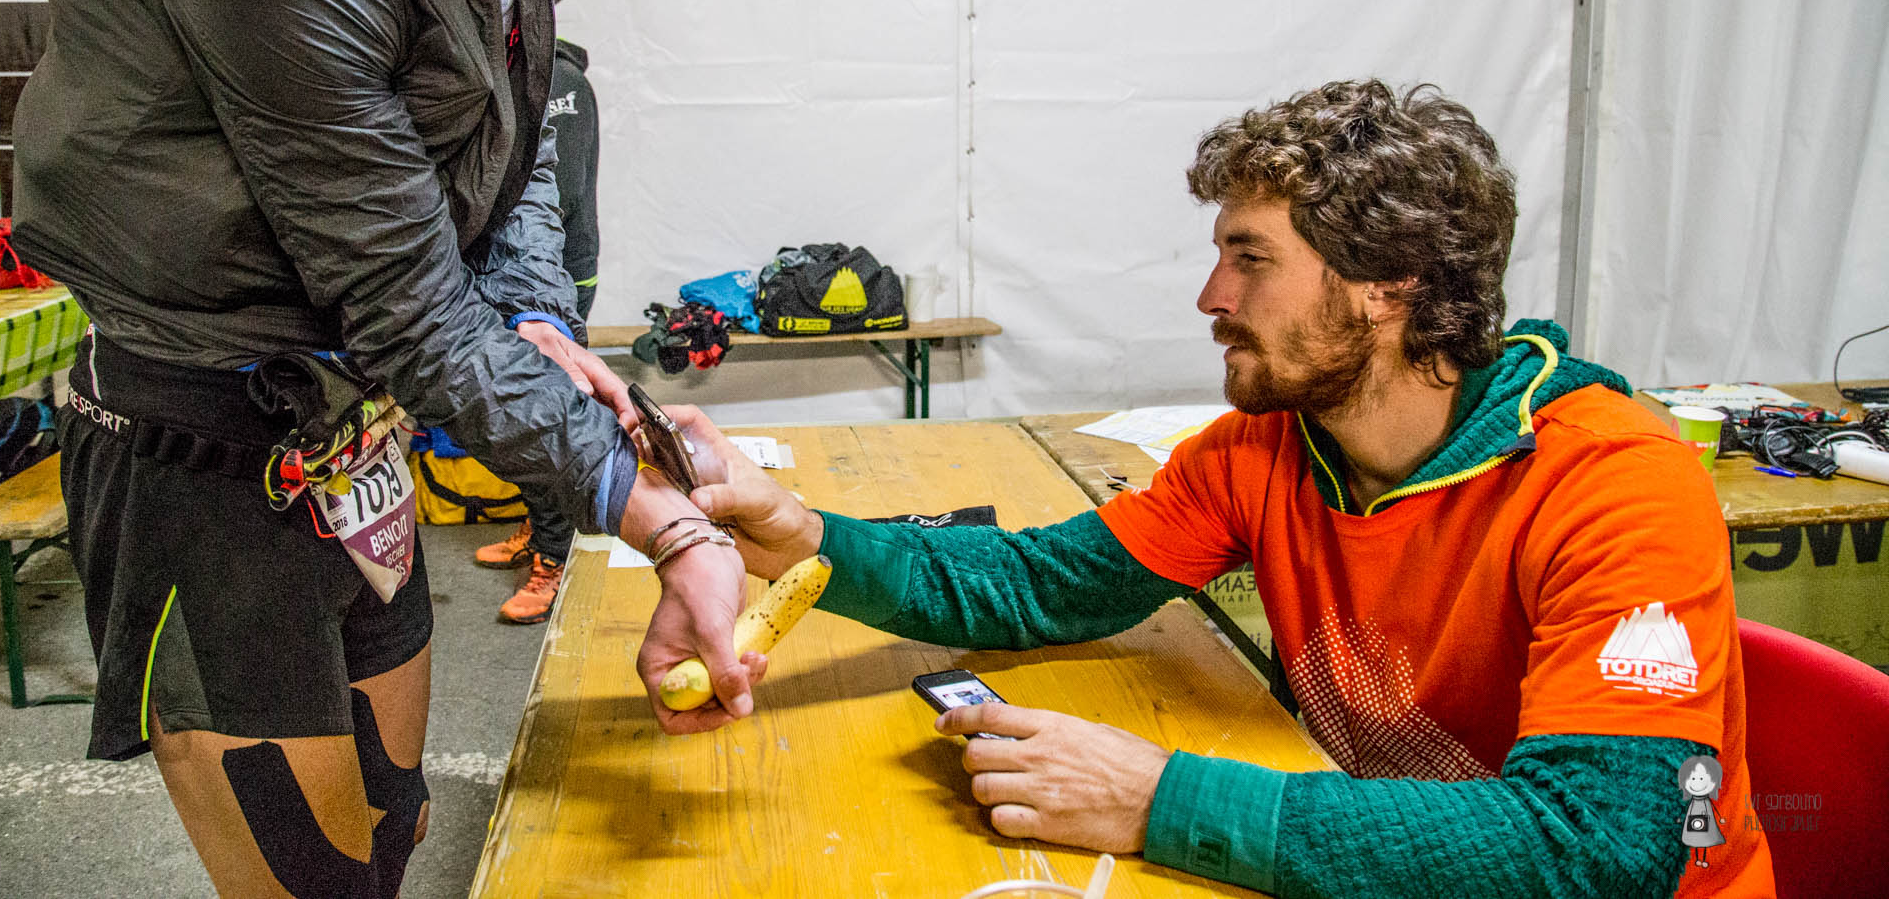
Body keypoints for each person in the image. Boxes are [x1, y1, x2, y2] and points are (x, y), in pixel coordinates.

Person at [11, 0, 760, 894]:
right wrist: (671, 526)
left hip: (354, 430)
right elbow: (409, 308)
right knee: (318, 879)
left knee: (393, 825)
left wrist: (532, 316)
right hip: (206, 448)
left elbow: (510, 144)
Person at [691, 80, 1777, 898]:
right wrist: (801, 535)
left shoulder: (1612, 481)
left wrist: (1157, 799)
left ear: (1388, 280)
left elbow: (1600, 846)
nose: (1211, 295)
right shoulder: (1261, 451)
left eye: (1250, 258)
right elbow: (1037, 585)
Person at [475, 37, 601, 624]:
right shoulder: (520, 66)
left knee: (542, 416)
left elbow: (560, 193)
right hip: (524, 274)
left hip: (555, 278)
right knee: (522, 419)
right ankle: (540, 528)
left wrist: (538, 299)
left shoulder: (559, 79)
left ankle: (557, 557)